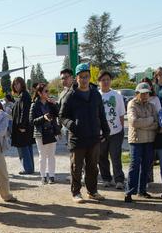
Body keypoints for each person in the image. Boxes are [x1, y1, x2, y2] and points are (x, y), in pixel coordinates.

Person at [59, 63, 110, 203]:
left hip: (94, 137)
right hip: (77, 138)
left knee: (93, 167)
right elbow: (62, 116)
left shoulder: (95, 94)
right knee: (76, 167)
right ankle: (76, 192)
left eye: (86, 76)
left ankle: (92, 191)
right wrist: (72, 125)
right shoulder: (70, 95)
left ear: (89, 77)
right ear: (76, 78)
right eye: (81, 77)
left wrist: (106, 130)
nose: (84, 79)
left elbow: (101, 114)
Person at [124, 82, 158, 203]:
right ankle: (129, 191)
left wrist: (144, 124)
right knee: (134, 166)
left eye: (147, 93)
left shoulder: (152, 106)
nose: (145, 96)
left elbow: (157, 123)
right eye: (142, 93)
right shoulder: (131, 104)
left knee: (146, 166)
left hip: (149, 140)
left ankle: (142, 190)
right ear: (137, 94)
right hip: (136, 140)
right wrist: (149, 121)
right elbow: (134, 122)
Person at [97, 70, 126, 190]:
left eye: (108, 79)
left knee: (115, 156)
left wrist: (121, 129)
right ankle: (106, 178)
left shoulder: (117, 95)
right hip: (101, 133)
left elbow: (121, 114)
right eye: (103, 80)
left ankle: (119, 179)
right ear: (99, 82)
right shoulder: (96, 96)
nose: (105, 82)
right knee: (102, 157)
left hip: (116, 132)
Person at [31, 82, 60, 184]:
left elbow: (58, 114)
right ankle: (43, 176)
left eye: (48, 91)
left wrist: (55, 104)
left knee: (51, 155)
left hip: (52, 131)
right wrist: (43, 118)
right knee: (42, 156)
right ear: (39, 93)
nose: (48, 93)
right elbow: (32, 121)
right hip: (40, 134)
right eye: (46, 91)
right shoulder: (34, 105)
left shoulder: (50, 103)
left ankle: (51, 176)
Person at [10, 77, 36, 176]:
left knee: (23, 148)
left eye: (17, 84)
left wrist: (22, 125)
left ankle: (28, 168)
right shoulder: (23, 95)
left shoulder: (24, 96)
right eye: (14, 84)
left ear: (22, 84)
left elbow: (24, 112)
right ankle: (30, 168)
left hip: (22, 127)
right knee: (27, 147)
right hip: (24, 126)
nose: (16, 86)